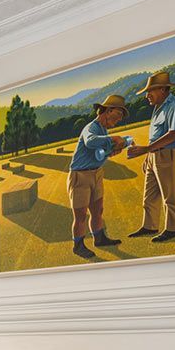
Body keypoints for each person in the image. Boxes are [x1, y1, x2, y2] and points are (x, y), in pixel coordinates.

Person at [123, 69, 175, 242]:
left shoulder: (174, 106)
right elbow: (157, 134)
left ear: (162, 90)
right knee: (149, 196)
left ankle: (174, 229)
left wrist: (146, 149)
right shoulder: (159, 106)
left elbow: (174, 134)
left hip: (169, 155)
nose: (147, 96)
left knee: (170, 195)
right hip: (154, 155)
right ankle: (149, 226)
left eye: (150, 91)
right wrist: (148, 155)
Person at [67, 94, 128, 259]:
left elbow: (99, 153)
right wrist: (112, 138)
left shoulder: (103, 129)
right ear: (108, 111)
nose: (117, 121)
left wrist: (111, 151)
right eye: (117, 116)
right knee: (80, 215)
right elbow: (91, 142)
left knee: (98, 209)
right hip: (80, 176)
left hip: (96, 173)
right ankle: (78, 245)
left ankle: (99, 238)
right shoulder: (91, 128)